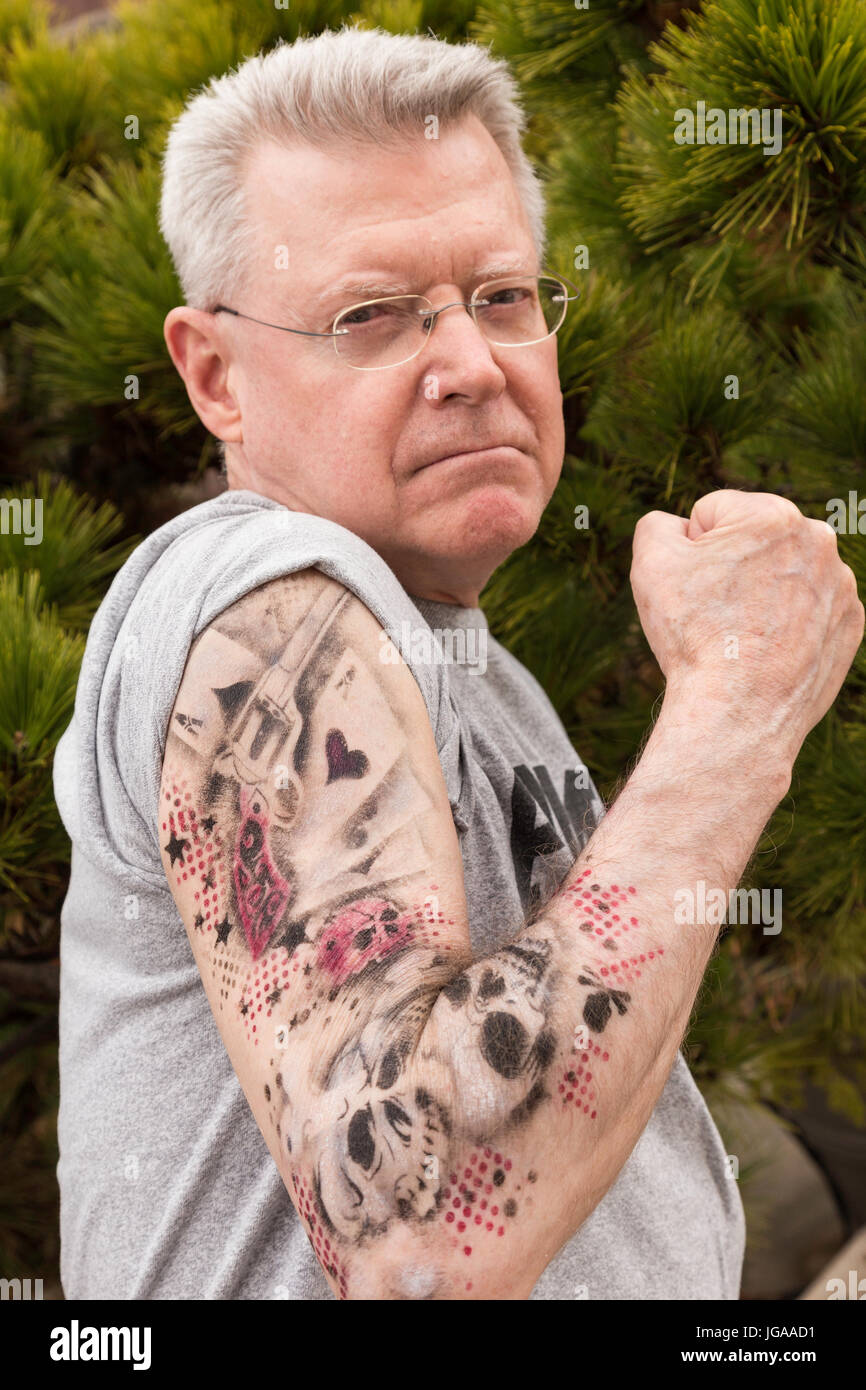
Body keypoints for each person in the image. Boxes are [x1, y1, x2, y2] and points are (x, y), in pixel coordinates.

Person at [53, 26, 863, 1301]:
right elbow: (424, 1236)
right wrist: (735, 706)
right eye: (371, 316)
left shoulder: (477, 670)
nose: (473, 365)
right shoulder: (265, 602)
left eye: (501, 297)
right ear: (214, 377)